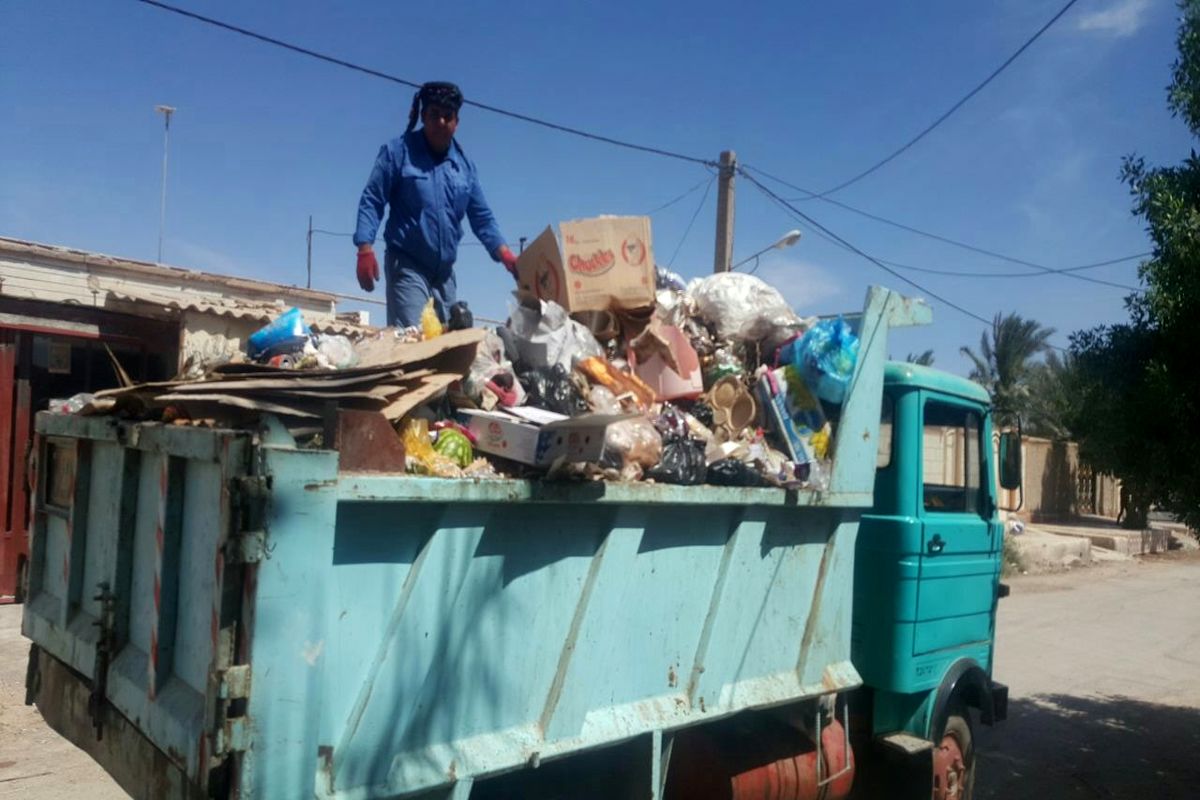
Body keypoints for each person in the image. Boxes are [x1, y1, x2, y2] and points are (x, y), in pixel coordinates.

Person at [353, 81, 519, 327]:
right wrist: (364, 248)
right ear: (423, 117)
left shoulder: (464, 167)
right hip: (407, 266)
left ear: (456, 122)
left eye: (447, 116)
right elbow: (373, 199)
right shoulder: (398, 152)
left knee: (448, 347)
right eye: (434, 115)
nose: (441, 122)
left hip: (444, 275)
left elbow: (482, 218)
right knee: (415, 342)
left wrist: (505, 254)